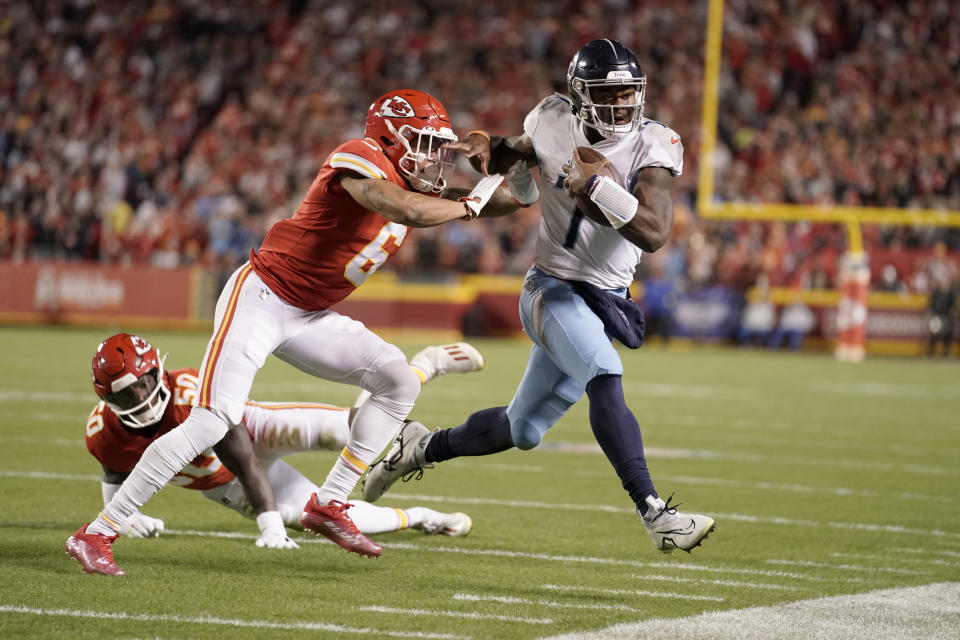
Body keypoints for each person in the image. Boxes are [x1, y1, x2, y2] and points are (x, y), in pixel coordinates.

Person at [66, 89, 520, 576]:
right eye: (423, 143)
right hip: (262, 297)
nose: (433, 157)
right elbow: (407, 209)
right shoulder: (361, 158)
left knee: (398, 381)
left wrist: (513, 166)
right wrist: (474, 200)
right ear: (390, 138)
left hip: (308, 313)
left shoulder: (415, 184)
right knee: (212, 420)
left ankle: (328, 503)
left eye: (437, 146)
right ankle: (97, 532)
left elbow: (500, 202)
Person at [363, 40, 716, 554]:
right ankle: (655, 513)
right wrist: (489, 144)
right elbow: (511, 151)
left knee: (521, 428)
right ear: (579, 97)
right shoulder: (553, 120)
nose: (620, 106)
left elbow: (656, 230)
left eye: (627, 94)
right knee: (603, 371)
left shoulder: (653, 145)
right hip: (550, 287)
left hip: (604, 297)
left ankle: (417, 447)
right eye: (607, 94)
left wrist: (599, 191)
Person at [80, 334, 479, 557]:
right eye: (127, 395)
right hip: (223, 481)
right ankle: (425, 516)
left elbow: (243, 456)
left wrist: (267, 524)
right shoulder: (104, 434)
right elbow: (114, 474)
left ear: (157, 371)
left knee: (352, 431)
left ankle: (423, 367)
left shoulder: (191, 394)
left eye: (145, 383)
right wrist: (127, 517)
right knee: (314, 516)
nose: (142, 398)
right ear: (106, 399)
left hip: (252, 429)